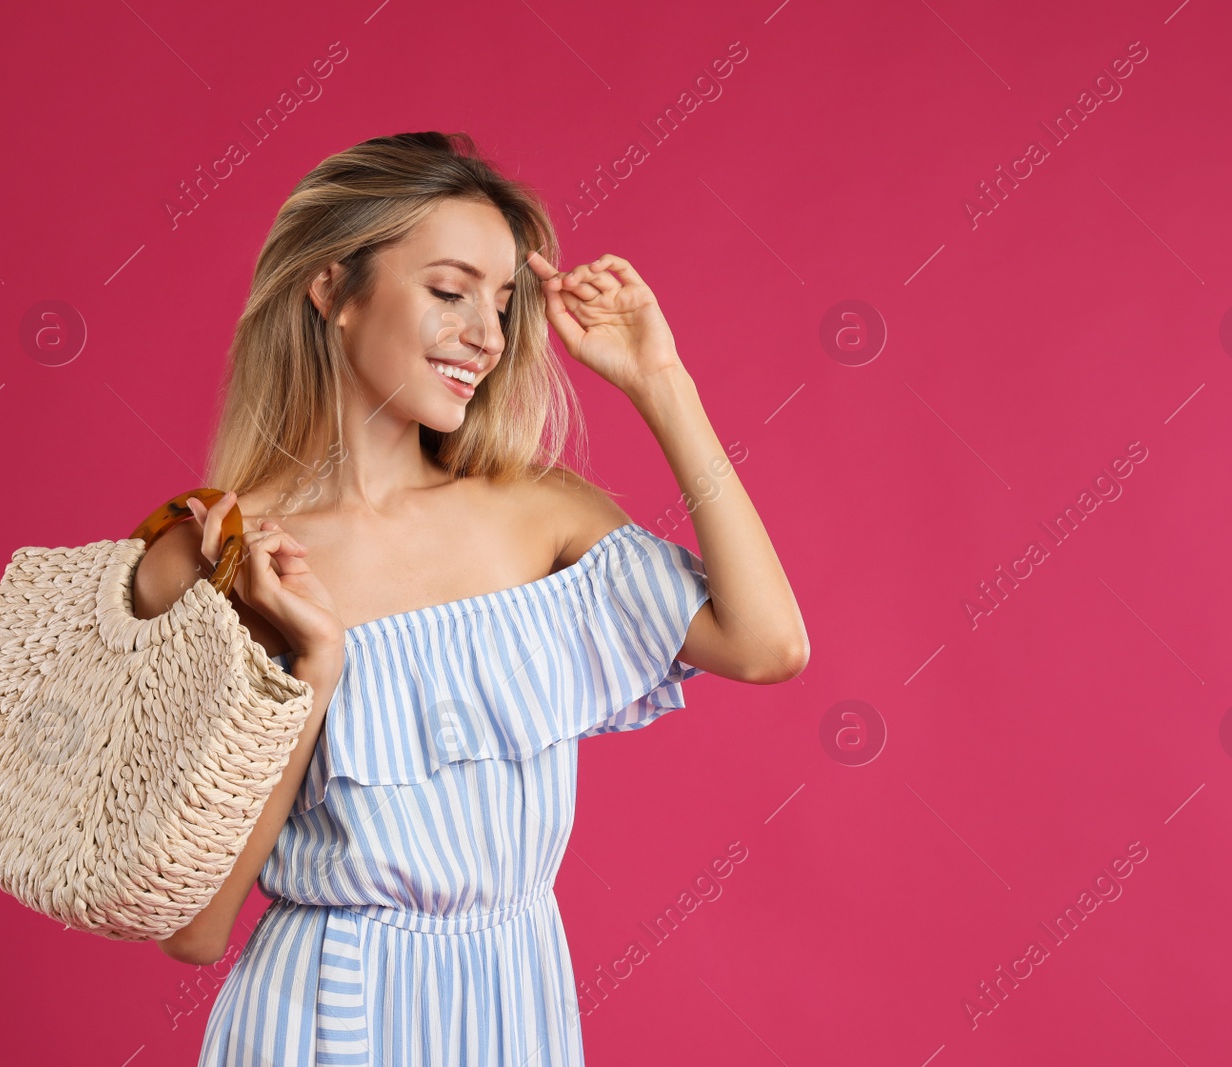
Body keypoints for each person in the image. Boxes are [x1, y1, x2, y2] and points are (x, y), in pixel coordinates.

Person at [132, 131, 808, 1065]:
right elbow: (196, 930)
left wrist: (661, 383)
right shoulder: (227, 553)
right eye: (450, 292)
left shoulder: (540, 511)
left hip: (517, 1003)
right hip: (324, 1016)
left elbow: (769, 643)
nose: (488, 336)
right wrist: (316, 672)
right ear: (331, 290)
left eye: (501, 302)